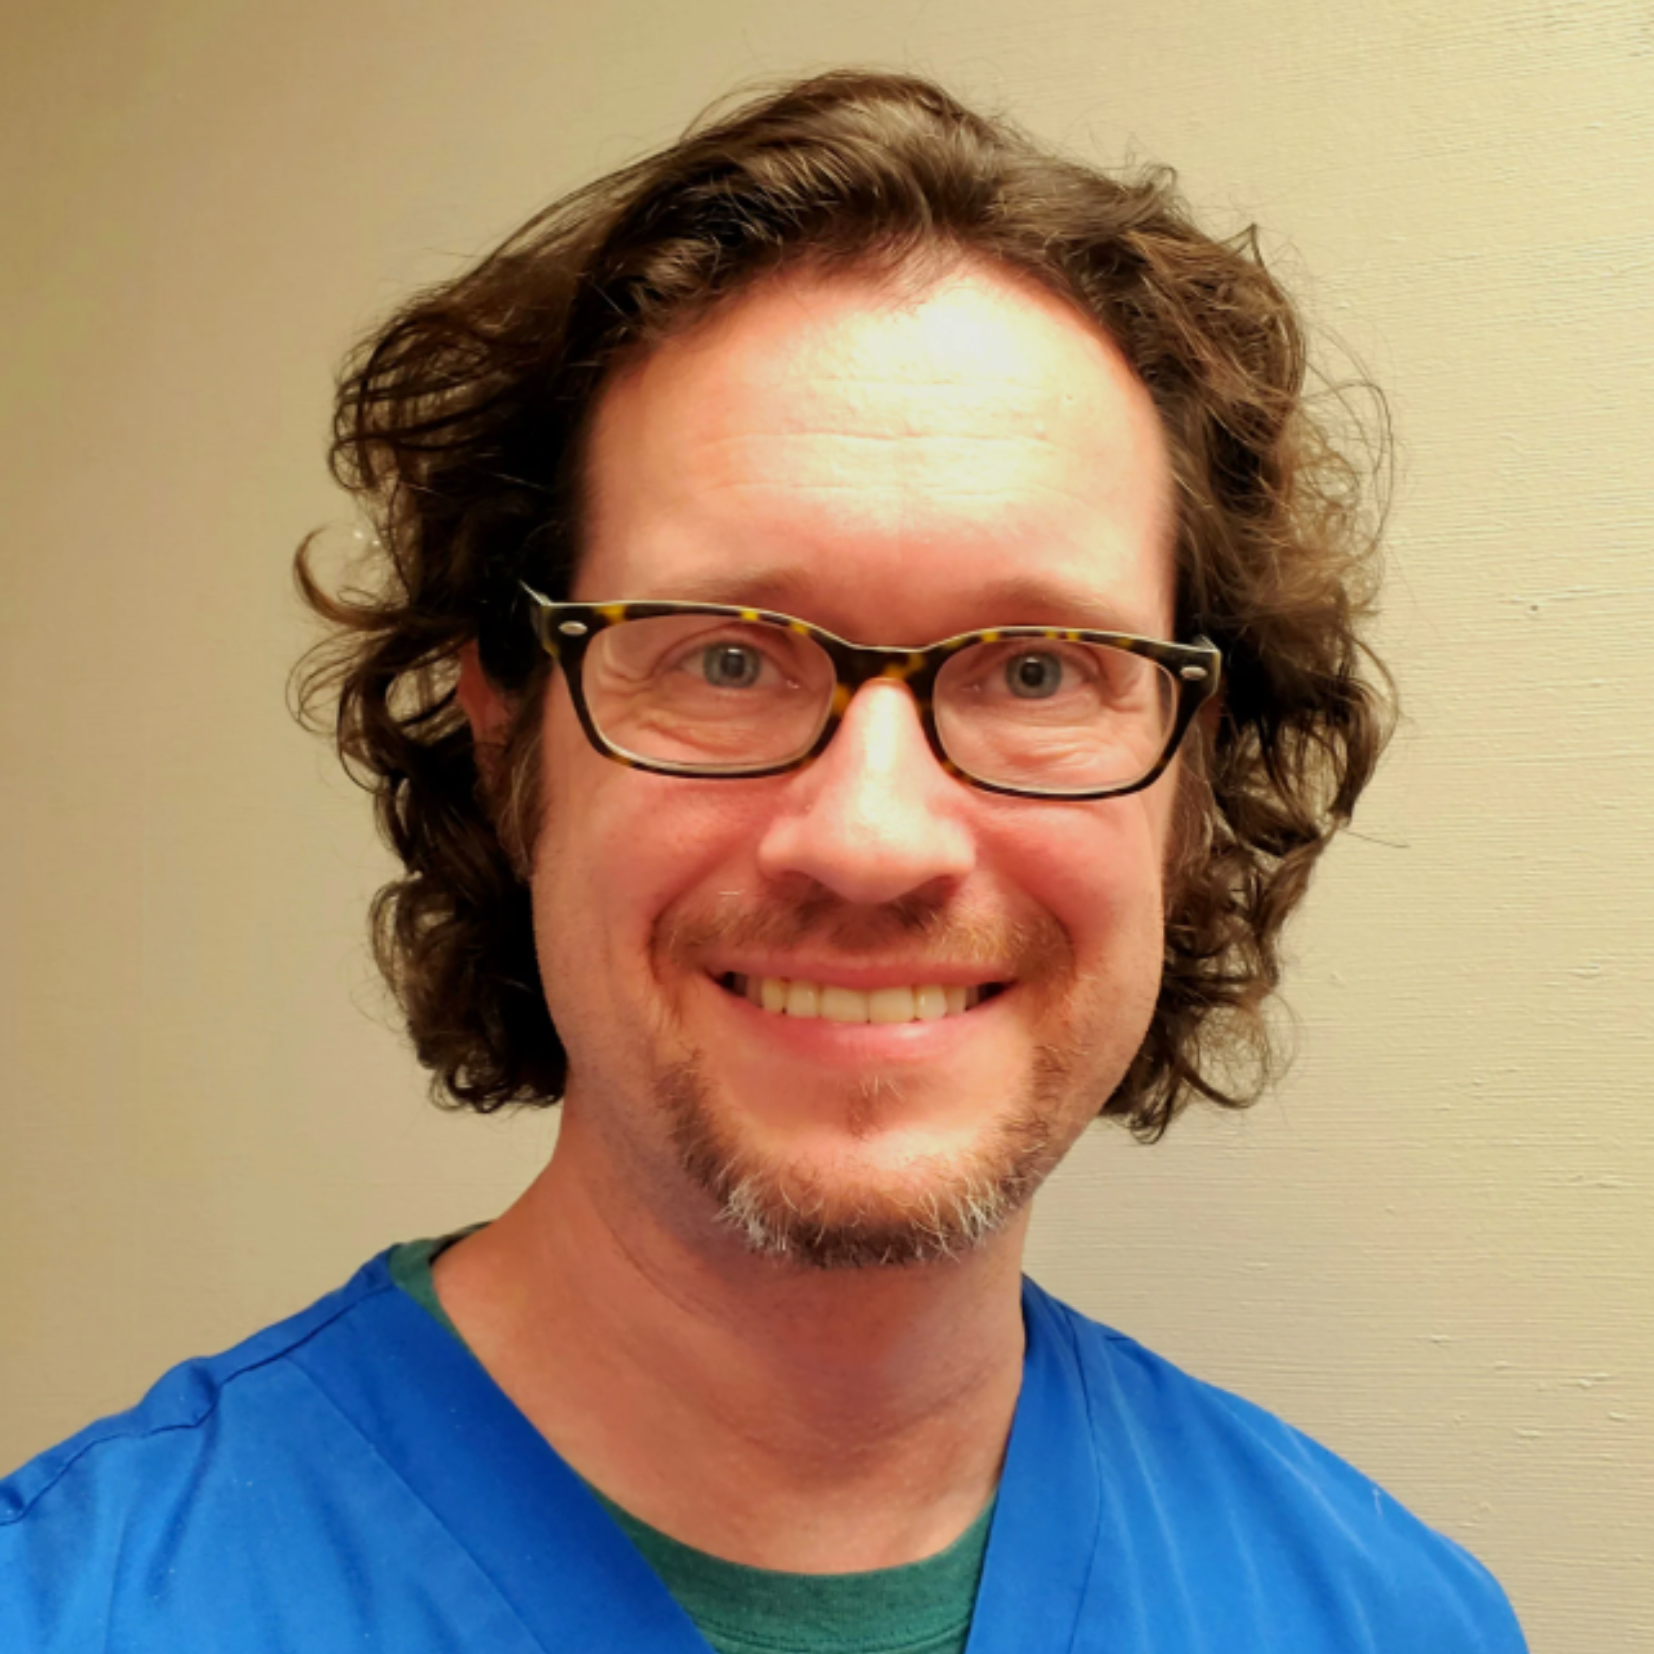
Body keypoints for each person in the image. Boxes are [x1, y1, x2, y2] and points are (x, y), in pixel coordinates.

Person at [0, 69, 1527, 1652]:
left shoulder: (1384, 1614)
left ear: (1190, 783)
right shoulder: (74, 1609)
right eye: (723, 659)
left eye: (1035, 670)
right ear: (506, 741)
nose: (870, 839)